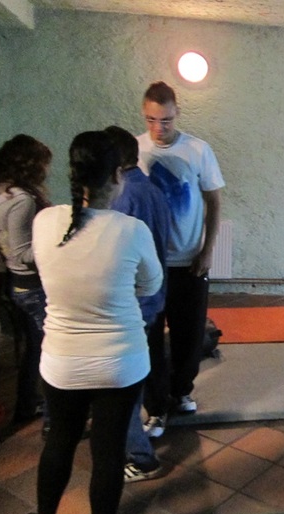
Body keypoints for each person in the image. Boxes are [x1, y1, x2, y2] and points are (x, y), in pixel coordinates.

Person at [23, 131, 163, 514]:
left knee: (60, 442)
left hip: (63, 361)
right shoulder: (132, 230)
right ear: (118, 175)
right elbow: (150, 285)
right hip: (121, 362)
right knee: (109, 452)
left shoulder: (45, 221)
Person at [137, 81, 225, 434]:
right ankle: (156, 407)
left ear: (177, 114)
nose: (159, 128)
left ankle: (181, 390)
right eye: (151, 120)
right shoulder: (135, 149)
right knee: (150, 338)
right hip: (150, 263)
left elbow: (214, 202)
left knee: (189, 336)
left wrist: (208, 250)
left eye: (166, 120)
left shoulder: (198, 150)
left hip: (189, 261)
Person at [106, 125, 171, 483]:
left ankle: (140, 455)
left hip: (133, 300)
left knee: (123, 383)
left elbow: (118, 254)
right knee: (142, 367)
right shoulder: (152, 189)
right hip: (153, 294)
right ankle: (147, 425)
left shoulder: (124, 195)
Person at [0, 134, 52, 432]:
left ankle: (29, 403)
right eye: (43, 164)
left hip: (18, 283)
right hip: (31, 284)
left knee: (36, 347)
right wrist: (56, 245)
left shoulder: (1, 192)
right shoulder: (22, 200)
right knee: (47, 349)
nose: (46, 170)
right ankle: (47, 412)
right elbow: (21, 252)